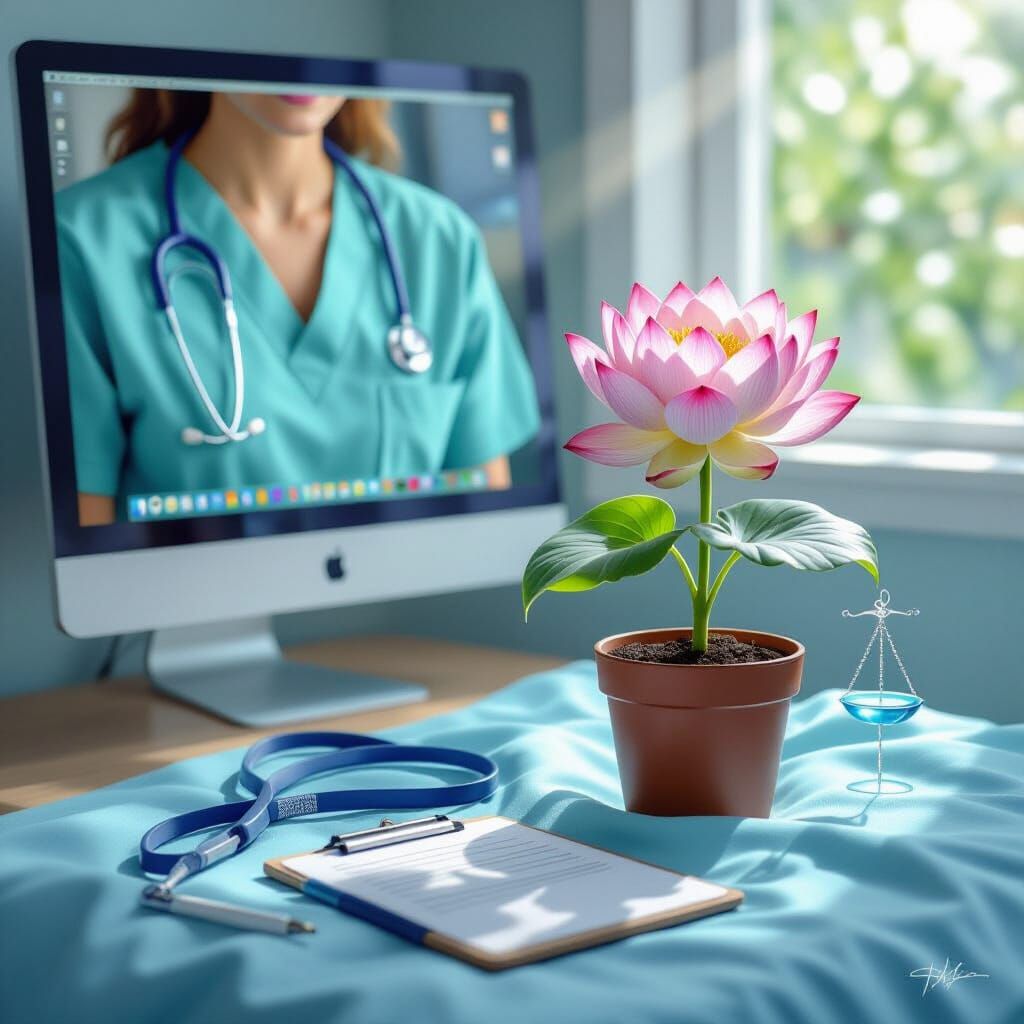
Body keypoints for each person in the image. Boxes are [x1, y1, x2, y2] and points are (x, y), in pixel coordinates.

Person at [56, 89, 540, 525]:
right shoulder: (84, 237)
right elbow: (89, 542)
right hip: (193, 620)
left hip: (393, 616)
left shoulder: (438, 239)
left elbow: (479, 516)